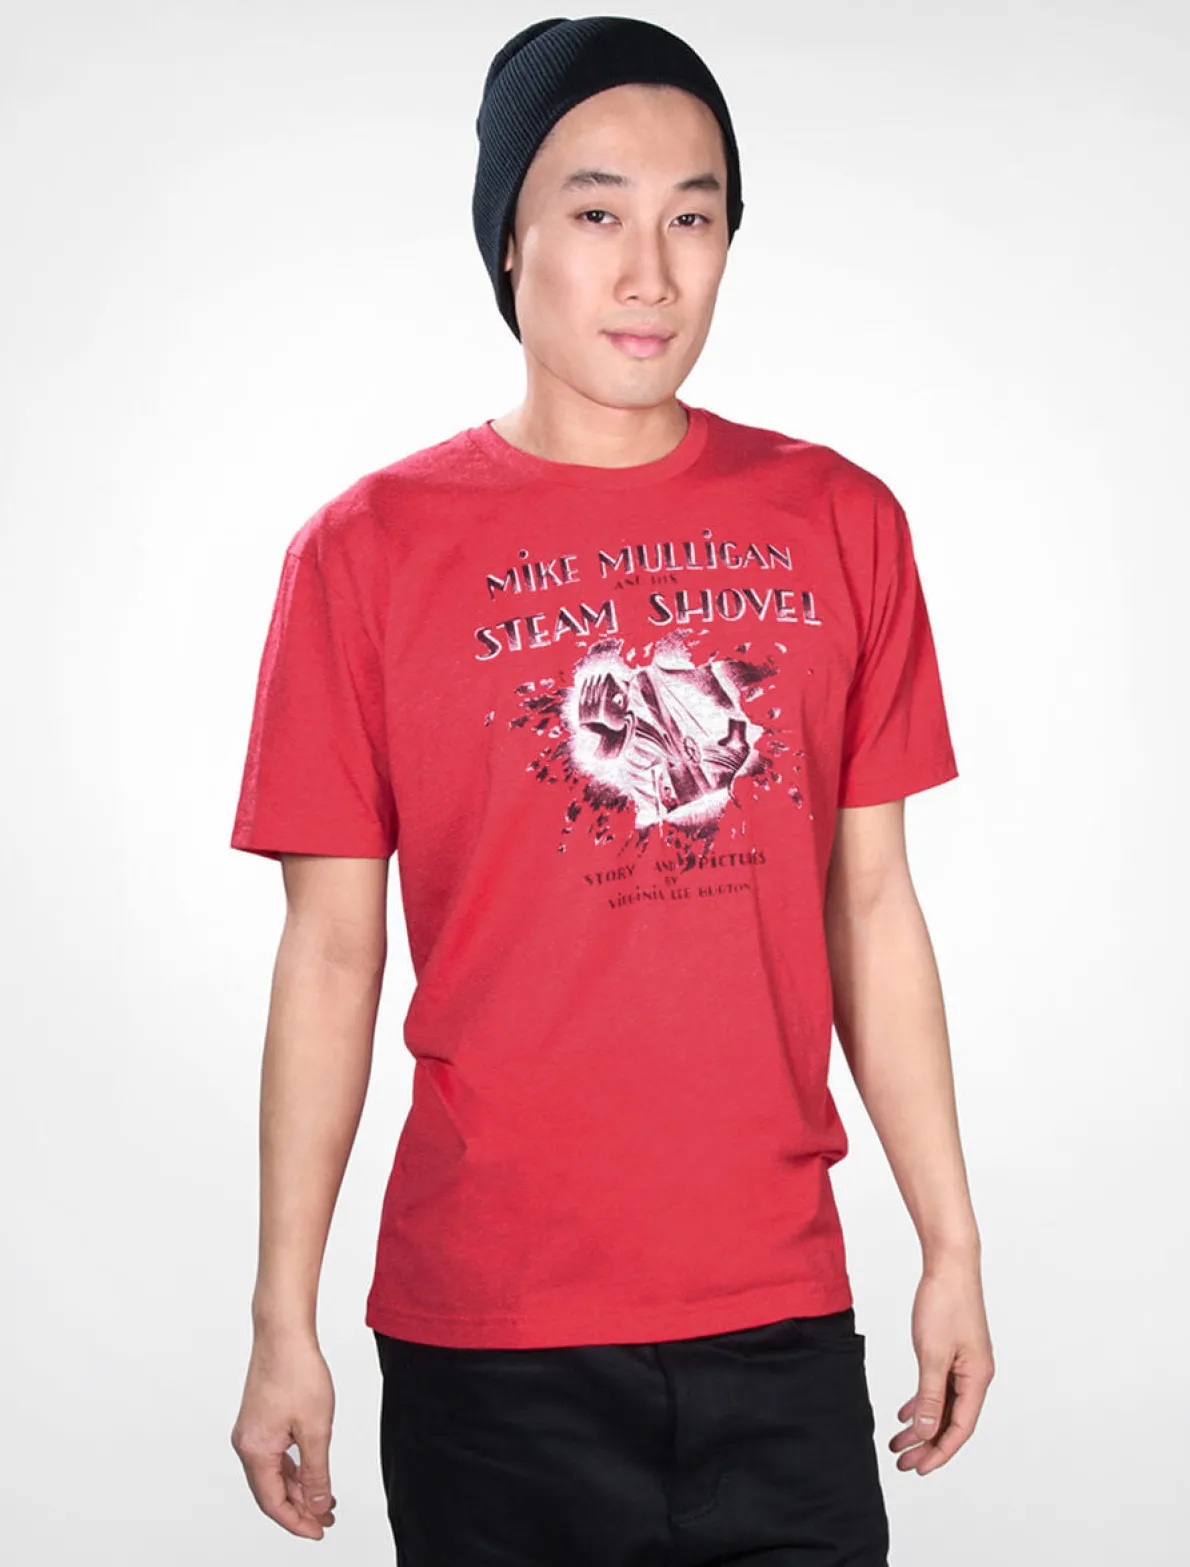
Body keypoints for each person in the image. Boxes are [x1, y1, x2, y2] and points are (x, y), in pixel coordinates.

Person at [227, 15, 994, 1564]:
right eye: (594, 211)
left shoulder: (839, 520)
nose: (649, 271)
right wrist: (280, 1315)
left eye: (692, 216)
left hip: (777, 1318)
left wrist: (950, 1244)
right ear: (509, 240)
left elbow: (869, 905)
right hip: (488, 1340)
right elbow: (330, 956)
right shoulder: (364, 554)